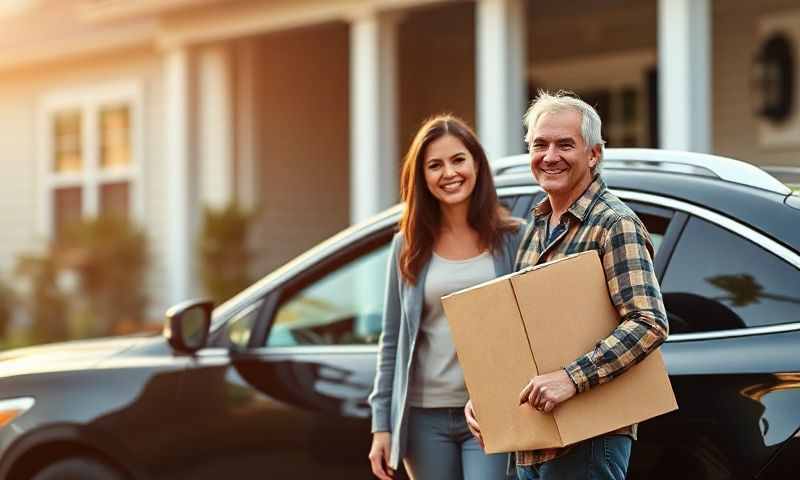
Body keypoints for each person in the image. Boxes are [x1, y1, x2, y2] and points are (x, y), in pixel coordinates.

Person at [464, 91, 669, 480]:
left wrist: (571, 378)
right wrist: (488, 397)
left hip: (590, 437)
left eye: (565, 144)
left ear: (593, 154)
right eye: (539, 144)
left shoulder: (614, 224)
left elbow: (648, 322)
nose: (550, 155)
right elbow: (521, 333)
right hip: (534, 438)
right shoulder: (535, 227)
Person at [368, 114, 524, 480]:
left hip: (492, 411)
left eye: (458, 160)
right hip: (423, 417)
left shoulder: (514, 238)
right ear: (421, 177)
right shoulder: (406, 246)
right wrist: (381, 426)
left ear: (476, 164)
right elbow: (391, 340)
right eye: (434, 165)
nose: (449, 173)